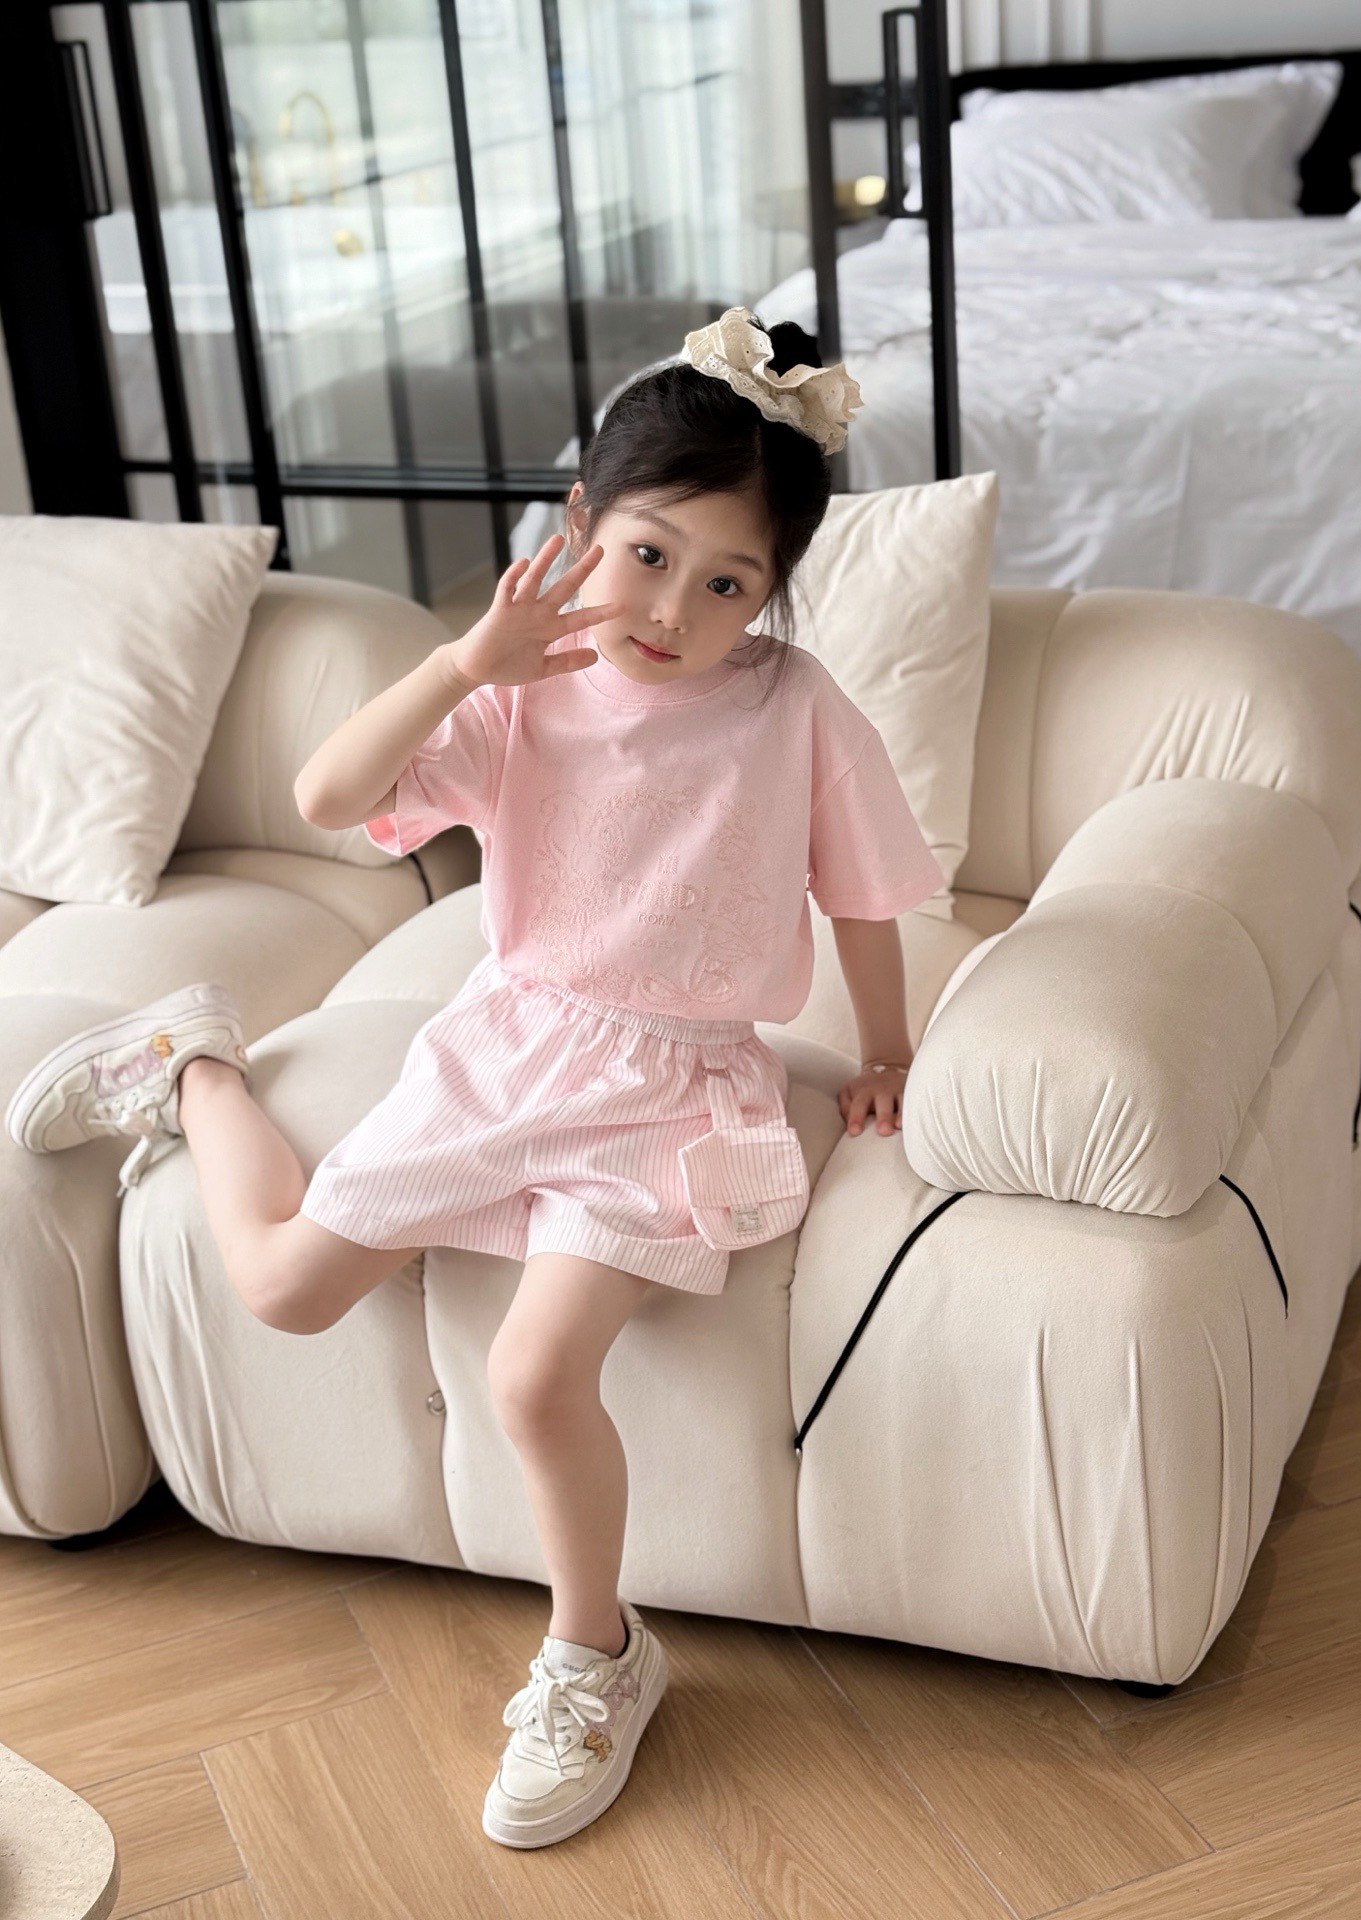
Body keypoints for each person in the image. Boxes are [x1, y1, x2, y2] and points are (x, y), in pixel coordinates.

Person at [6, 306, 946, 1850]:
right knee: (285, 1287)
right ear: (579, 525)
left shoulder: (795, 710)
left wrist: (889, 1049)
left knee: (531, 1374)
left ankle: (598, 1654)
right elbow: (329, 794)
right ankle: (192, 1070)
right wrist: (462, 663)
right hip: (510, 1045)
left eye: (729, 583)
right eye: (647, 554)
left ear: (774, 592)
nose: (677, 607)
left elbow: (860, 899)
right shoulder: (518, 687)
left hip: (671, 1093)